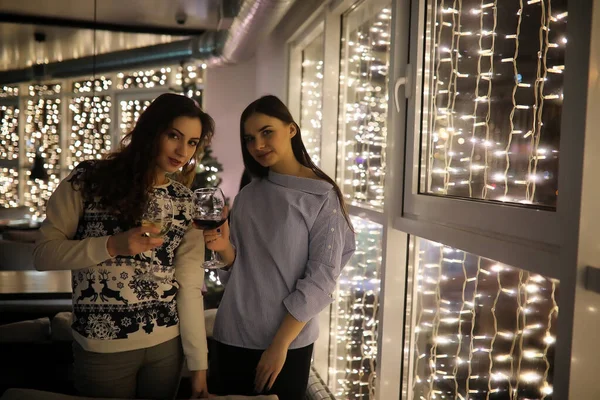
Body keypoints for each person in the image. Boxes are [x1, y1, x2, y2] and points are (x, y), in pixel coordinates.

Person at [34, 93, 214, 399]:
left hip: (166, 348)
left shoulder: (185, 201)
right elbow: (43, 254)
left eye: (192, 142)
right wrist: (111, 246)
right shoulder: (88, 180)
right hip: (103, 348)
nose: (183, 150)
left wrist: (198, 366)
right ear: (151, 131)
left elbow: (189, 285)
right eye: (174, 136)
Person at [204, 95, 356, 400]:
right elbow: (241, 267)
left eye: (266, 132)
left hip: (286, 343)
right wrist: (223, 249)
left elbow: (320, 280)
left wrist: (279, 345)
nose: (258, 144)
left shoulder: (321, 197)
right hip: (231, 333)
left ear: (291, 129)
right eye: (249, 138)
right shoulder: (248, 195)